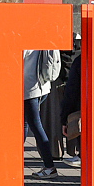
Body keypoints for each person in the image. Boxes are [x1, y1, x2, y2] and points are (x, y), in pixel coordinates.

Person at [23, 46, 63, 177]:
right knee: (27, 124)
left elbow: (19, 56)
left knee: (35, 125)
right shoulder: (41, 35)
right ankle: (16, 160)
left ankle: (49, 166)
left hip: (30, 88)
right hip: (42, 85)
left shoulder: (27, 38)